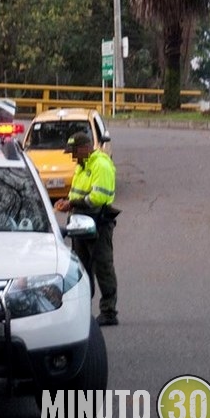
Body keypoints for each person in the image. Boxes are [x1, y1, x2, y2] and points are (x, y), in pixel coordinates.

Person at [54, 132, 120, 326]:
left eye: (74, 152)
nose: (72, 157)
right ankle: (82, 309)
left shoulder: (101, 165)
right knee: (81, 269)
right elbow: (77, 193)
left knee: (103, 267)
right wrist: (67, 202)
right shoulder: (82, 166)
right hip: (80, 223)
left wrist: (72, 203)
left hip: (98, 223)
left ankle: (109, 312)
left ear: (85, 148)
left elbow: (98, 198)